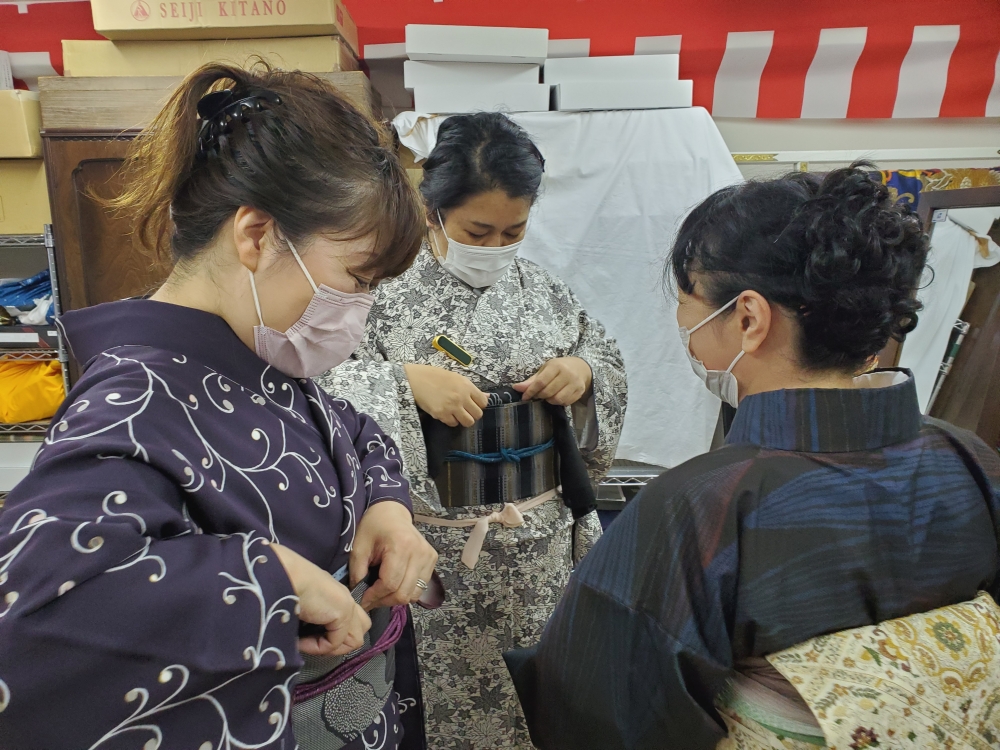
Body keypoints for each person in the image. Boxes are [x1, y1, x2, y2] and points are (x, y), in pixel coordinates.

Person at [0, 64, 440, 750]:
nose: (359, 311)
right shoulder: (133, 403)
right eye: (356, 278)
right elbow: (32, 619)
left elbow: (356, 431)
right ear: (258, 236)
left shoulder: (257, 357)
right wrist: (264, 579)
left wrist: (386, 506)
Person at [505, 164, 1000, 749]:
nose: (684, 325)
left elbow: (602, 715)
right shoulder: (970, 460)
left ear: (748, 318)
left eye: (688, 302)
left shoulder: (696, 508)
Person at [316, 112, 627, 750]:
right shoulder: (377, 291)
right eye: (478, 230)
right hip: (427, 548)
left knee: (544, 696)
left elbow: (605, 358)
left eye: (514, 230)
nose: (497, 245)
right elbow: (317, 384)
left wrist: (583, 372)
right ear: (432, 212)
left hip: (537, 542)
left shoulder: (545, 292)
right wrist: (405, 382)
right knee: (437, 707)